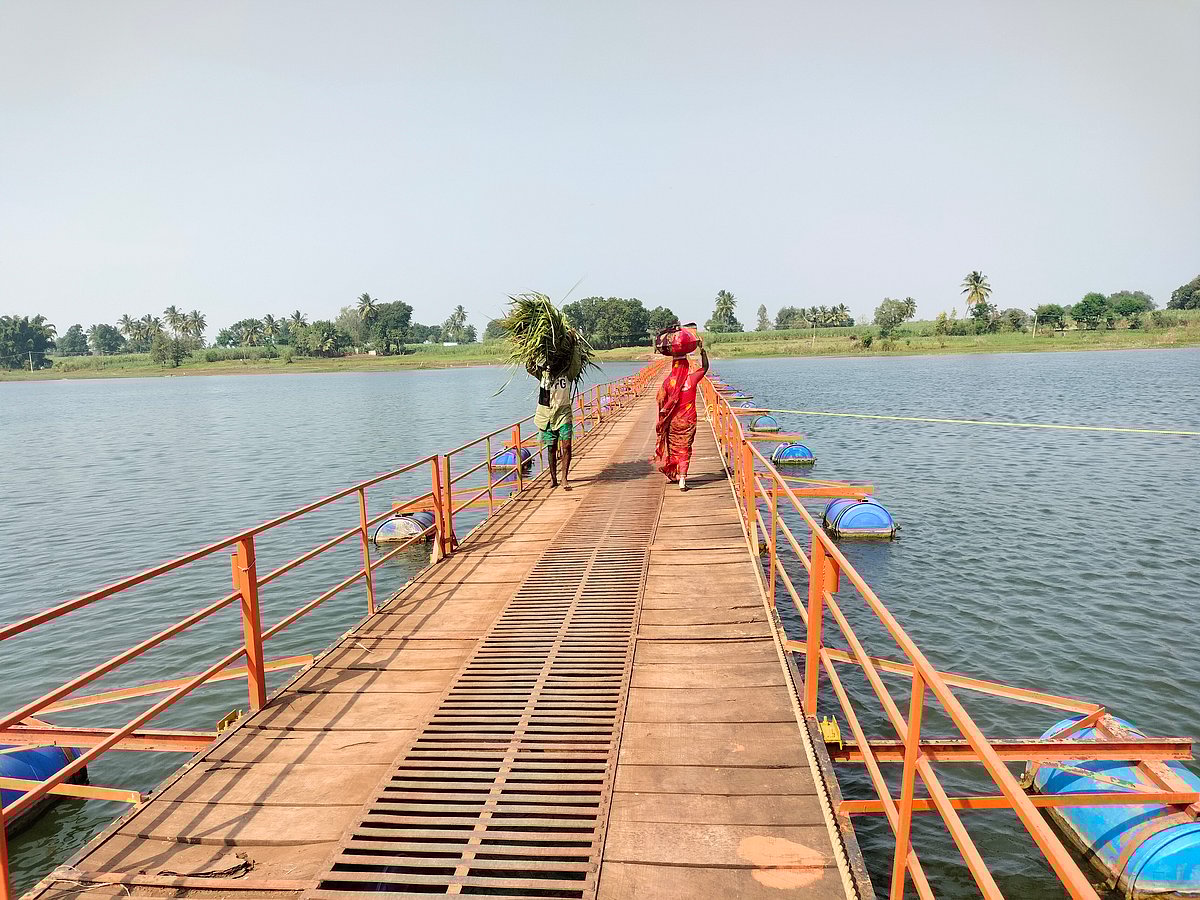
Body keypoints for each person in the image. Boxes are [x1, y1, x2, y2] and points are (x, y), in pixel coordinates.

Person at [652, 339, 709, 491]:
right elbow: (705, 367)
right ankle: (683, 478)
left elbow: (660, 400)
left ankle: (675, 473)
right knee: (685, 448)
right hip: (689, 421)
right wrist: (702, 351)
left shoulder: (668, 382)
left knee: (674, 448)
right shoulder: (692, 379)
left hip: (673, 422)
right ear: (686, 366)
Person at [533, 366, 575, 489]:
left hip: (563, 413)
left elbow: (576, 363)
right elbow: (529, 367)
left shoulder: (568, 371)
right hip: (546, 414)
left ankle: (564, 478)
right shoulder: (543, 373)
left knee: (566, 445)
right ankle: (553, 478)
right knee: (551, 447)